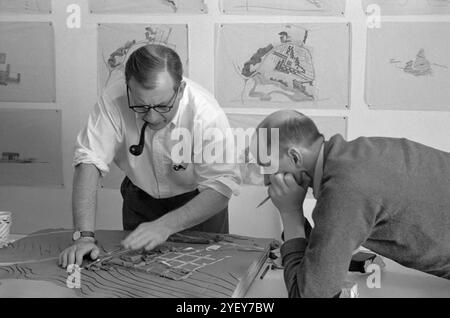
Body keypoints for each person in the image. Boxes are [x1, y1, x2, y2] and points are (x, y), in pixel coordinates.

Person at [59, 44, 240, 268]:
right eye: (141, 106)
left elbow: (221, 186)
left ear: (180, 90)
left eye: (163, 106)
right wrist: (84, 237)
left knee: (203, 279)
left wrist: (165, 225)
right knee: (137, 276)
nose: (152, 117)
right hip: (140, 197)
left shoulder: (206, 114)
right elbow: (89, 161)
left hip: (198, 203)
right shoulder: (113, 100)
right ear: (128, 88)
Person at [255, 110, 450, 297]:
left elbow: (311, 295)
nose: (265, 181)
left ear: (295, 157)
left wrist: (290, 213)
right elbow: (319, 256)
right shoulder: (355, 155)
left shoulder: (345, 187)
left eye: (267, 166)